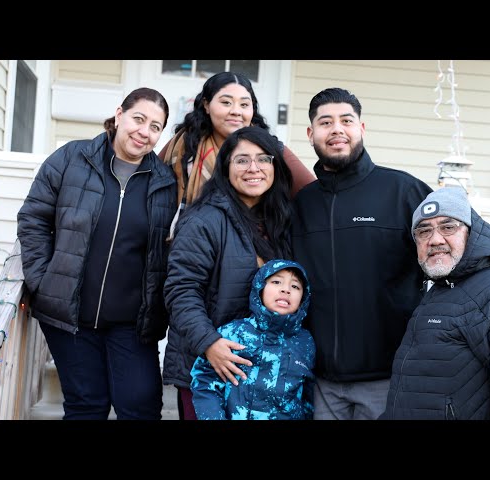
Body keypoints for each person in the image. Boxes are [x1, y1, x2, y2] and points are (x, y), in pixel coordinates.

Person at [290, 87, 490, 420]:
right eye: (325, 122)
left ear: (361, 128)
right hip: (322, 385)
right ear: (310, 133)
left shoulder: (401, 190)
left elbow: (466, 233)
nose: (336, 130)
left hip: (389, 378)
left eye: (346, 120)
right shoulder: (303, 204)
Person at [17, 87, 177, 420]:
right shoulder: (71, 158)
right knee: (86, 406)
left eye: (155, 126)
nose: (144, 132)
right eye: (138, 119)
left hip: (132, 323)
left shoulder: (164, 182)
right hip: (70, 316)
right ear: (119, 115)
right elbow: (34, 218)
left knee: (141, 406)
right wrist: (42, 282)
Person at [381, 187, 490, 419]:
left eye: (448, 227)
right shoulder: (438, 291)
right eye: (424, 231)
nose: (434, 239)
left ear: (471, 233)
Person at [163, 126, 295, 420]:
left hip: (264, 372)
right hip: (209, 367)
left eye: (263, 159)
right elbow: (181, 291)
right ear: (226, 168)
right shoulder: (204, 220)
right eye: (242, 160)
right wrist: (209, 344)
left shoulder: (280, 223)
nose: (254, 168)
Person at [157, 71, 314, 240]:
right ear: (206, 105)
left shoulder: (270, 149)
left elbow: (312, 195)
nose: (236, 111)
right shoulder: (184, 143)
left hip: (253, 251)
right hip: (191, 249)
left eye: (244, 105)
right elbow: (150, 184)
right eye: (226, 102)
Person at [190, 259, 315, 420]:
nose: (286, 289)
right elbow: (204, 379)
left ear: (303, 298)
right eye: (276, 282)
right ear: (260, 288)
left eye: (295, 286)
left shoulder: (306, 343)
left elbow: (309, 396)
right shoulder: (234, 332)